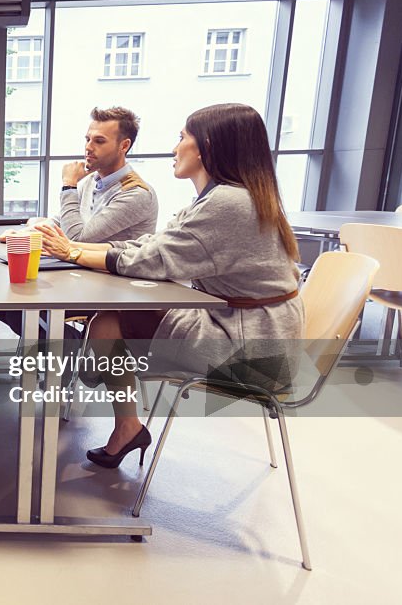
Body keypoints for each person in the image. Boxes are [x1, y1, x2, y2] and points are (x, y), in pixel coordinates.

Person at [36, 103, 304, 469]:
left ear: (206, 145)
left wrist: (73, 250)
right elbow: (154, 247)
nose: (174, 148)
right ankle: (113, 403)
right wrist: (74, 250)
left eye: (181, 138)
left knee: (107, 324)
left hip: (250, 349)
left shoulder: (227, 202)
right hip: (253, 330)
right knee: (106, 323)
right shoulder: (233, 195)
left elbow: (154, 260)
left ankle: (92, 374)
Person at [0, 106, 159, 337]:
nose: (89, 147)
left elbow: (77, 237)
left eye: (99, 141)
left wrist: (68, 186)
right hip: (79, 274)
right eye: (88, 139)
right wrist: (28, 232)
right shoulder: (92, 179)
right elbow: (61, 221)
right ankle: (76, 351)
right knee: (4, 298)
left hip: (113, 286)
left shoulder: (136, 194)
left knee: (19, 306)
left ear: (124, 146)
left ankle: (80, 352)